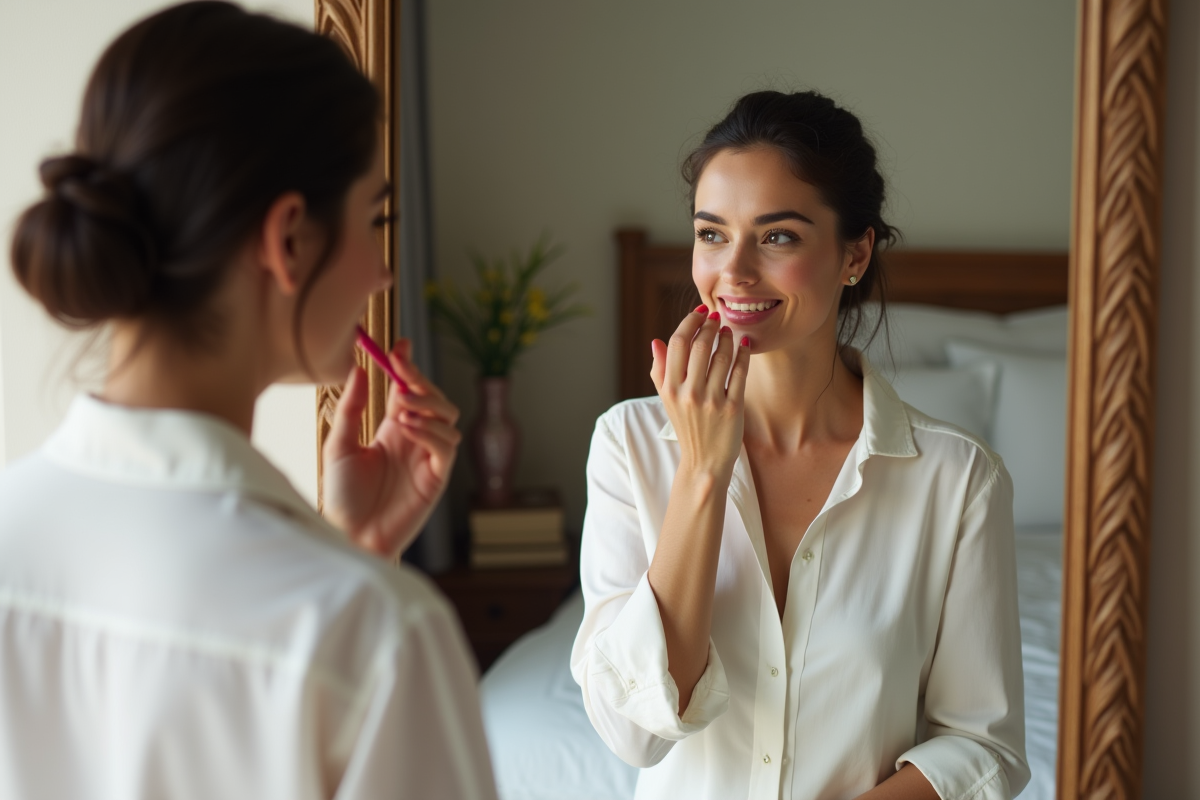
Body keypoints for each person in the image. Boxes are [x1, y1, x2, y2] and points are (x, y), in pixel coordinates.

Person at [0, 3, 497, 798]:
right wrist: (354, 579)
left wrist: (352, 551)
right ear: (289, 239)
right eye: (374, 219)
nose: (383, 273)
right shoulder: (376, 636)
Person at [571, 90, 1028, 800]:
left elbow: (982, 746)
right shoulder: (629, 446)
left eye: (778, 236)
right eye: (712, 233)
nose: (735, 271)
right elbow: (635, 733)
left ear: (855, 253)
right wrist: (701, 471)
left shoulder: (958, 479)